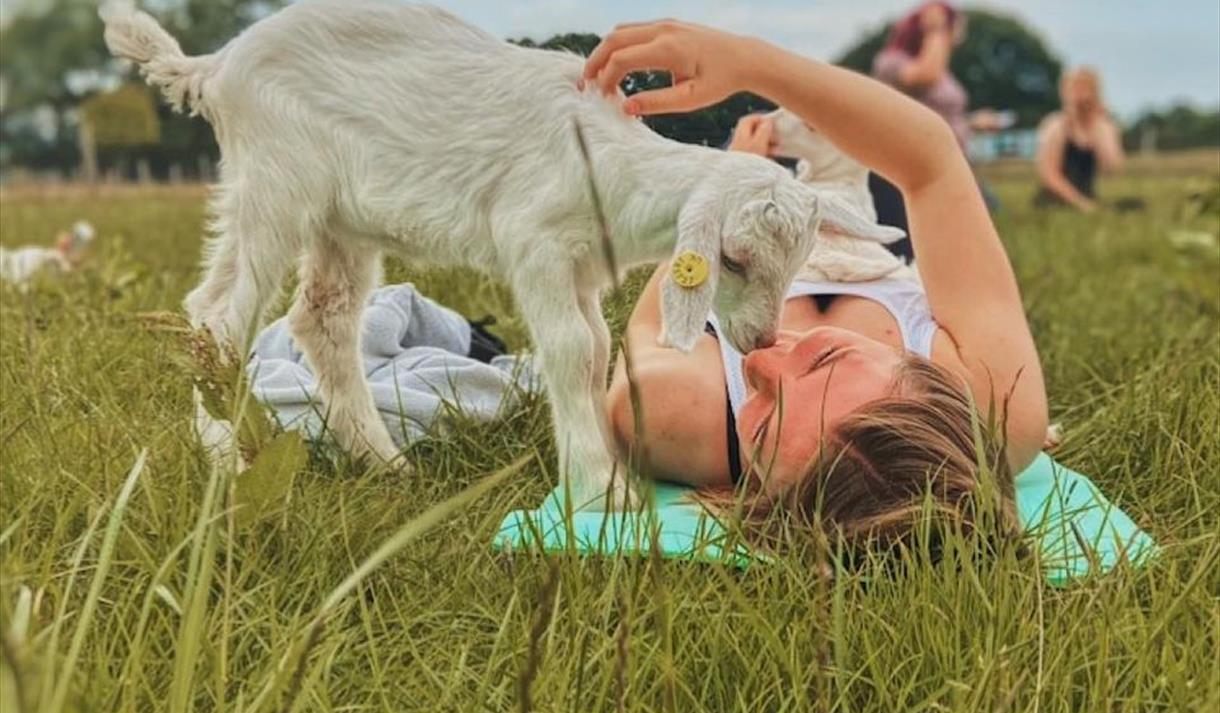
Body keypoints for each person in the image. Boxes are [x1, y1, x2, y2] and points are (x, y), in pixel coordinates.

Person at [582, 19, 1048, 549]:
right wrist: (749, 61)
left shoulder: (671, 416)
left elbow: (653, 317)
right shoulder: (999, 406)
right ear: (929, 383)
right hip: (877, 256)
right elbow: (931, 164)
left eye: (760, 427)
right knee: (855, 160)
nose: (762, 358)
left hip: (749, 250)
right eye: (826, 361)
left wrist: (726, 181)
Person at [1034, 67, 1126, 212]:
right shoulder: (1056, 125)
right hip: (1055, 198)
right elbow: (1049, 174)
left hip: (1088, 195)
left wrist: (1098, 125)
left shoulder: (1102, 127)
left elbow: (1112, 167)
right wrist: (1080, 203)